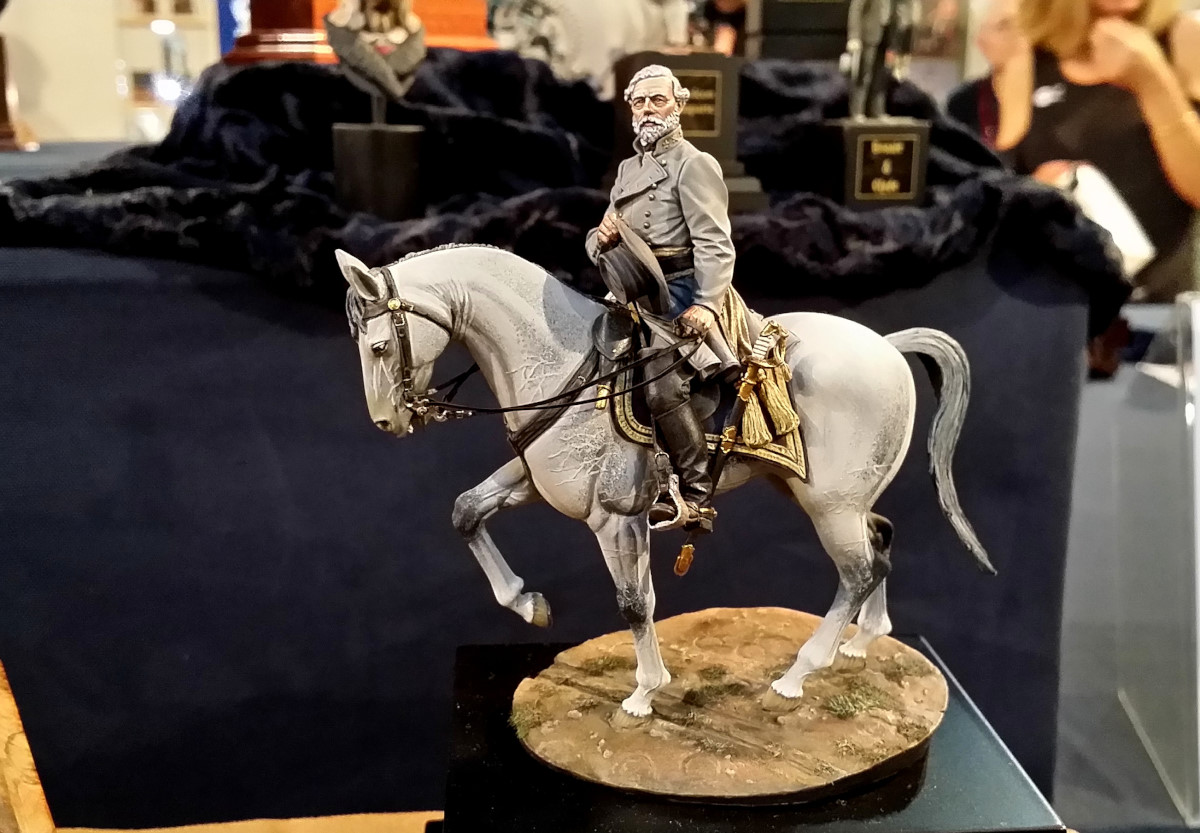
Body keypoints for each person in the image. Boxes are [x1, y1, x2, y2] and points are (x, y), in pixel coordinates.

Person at [585, 64, 737, 532]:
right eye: (640, 102)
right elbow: (598, 236)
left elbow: (715, 244)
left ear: (678, 104)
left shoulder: (694, 164)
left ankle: (695, 493)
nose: (648, 110)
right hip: (634, 288)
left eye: (658, 100)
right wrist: (601, 237)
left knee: (662, 384)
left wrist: (706, 303)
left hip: (680, 291)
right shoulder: (628, 169)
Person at [993, 0, 1200, 309]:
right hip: (1052, 305)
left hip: (1156, 308)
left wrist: (1153, 82)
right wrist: (1037, 190)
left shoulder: (1185, 36)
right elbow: (999, 185)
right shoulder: (1029, 47)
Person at [945, 0, 1022, 147]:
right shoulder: (963, 102)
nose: (1018, 35)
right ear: (981, 40)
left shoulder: (1053, 98)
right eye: (1004, 26)